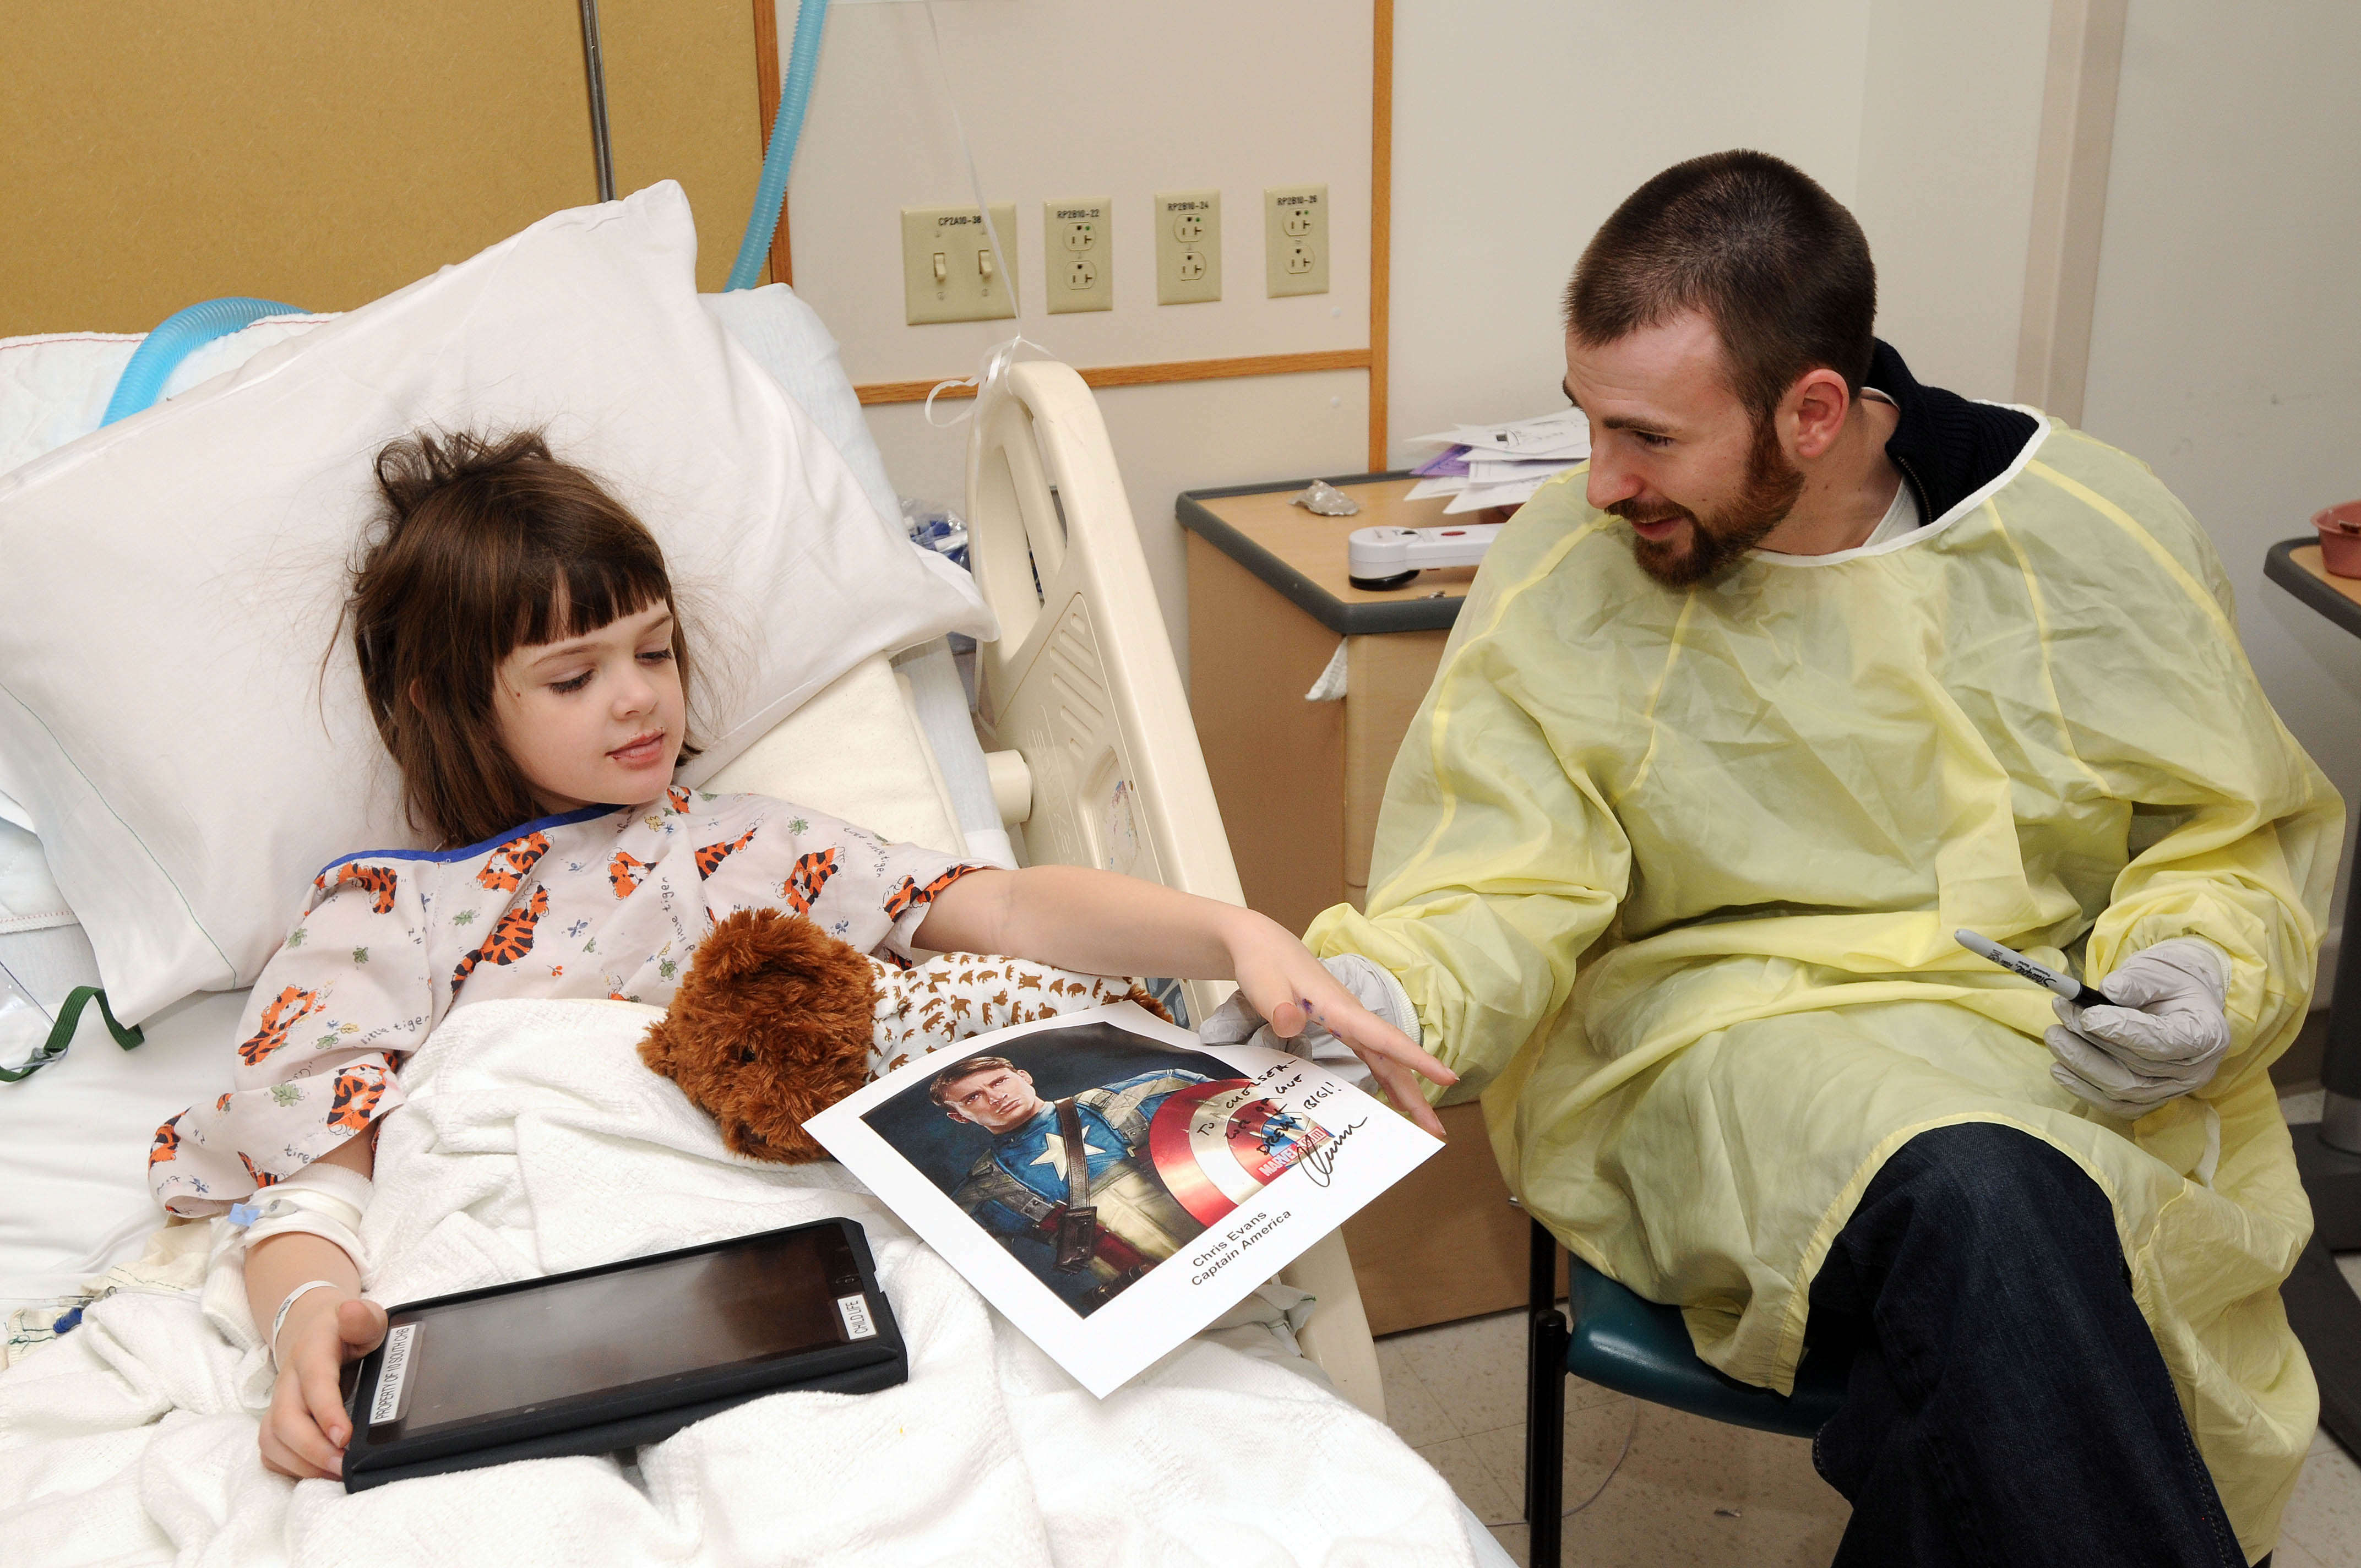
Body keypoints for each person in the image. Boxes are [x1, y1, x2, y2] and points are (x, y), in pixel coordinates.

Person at [1291, 151, 2339, 1566]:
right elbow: (1498, 875)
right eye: (1586, 420)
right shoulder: (1572, 565)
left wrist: (2196, 969)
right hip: (1712, 1039)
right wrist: (1378, 989)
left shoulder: (2078, 528)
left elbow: (2217, 830)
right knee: (1990, 1200)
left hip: (2036, 1034)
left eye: (1649, 435)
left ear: (1813, 409)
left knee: (1977, 1361)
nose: (1600, 480)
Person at [147, 428, 1455, 1483]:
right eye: (573, 674)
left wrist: (1228, 930)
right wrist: (304, 1315)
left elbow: (999, 908)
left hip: (805, 1255)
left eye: (655, 649)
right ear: (441, 699)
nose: (640, 696)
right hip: (546, 1295)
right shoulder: (382, 912)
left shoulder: (754, 847)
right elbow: (311, 1188)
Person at [931, 1053, 1211, 1309]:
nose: (996, 1097)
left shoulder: (1130, 1099)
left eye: (1000, 1081)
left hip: (1234, 1236)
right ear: (958, 1117)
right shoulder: (983, 1192)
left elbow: (1238, 1106)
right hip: (1164, 1302)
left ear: (1024, 1076)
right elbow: (980, 1284)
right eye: (972, 1098)